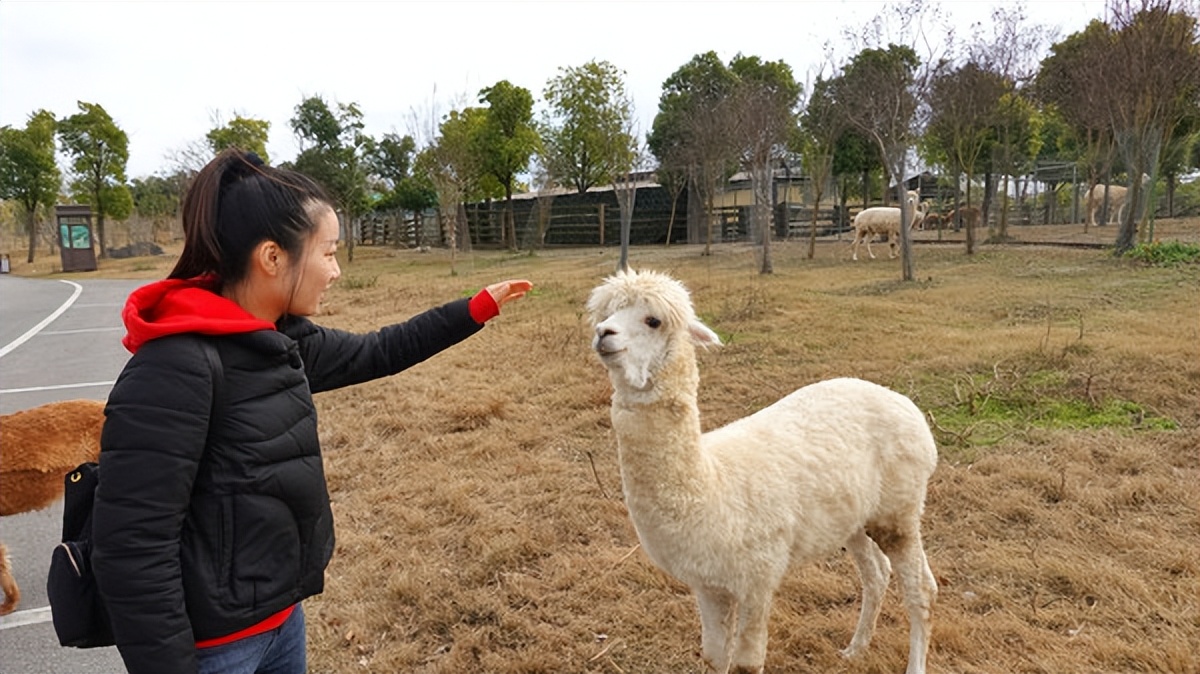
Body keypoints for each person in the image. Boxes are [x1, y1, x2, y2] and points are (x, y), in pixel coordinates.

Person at [91, 149, 531, 674]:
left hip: (281, 622)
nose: (337, 270)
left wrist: (474, 309)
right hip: (215, 650)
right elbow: (133, 545)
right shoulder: (175, 368)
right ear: (272, 257)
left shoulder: (279, 340)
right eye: (327, 253)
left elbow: (378, 351)